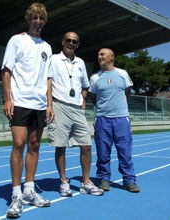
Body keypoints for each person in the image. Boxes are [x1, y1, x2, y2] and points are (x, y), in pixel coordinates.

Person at [1, 3, 53, 218]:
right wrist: (7, 98)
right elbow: (6, 70)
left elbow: (49, 78)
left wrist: (49, 104)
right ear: (28, 19)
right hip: (20, 101)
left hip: (40, 104)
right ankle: (16, 195)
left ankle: (29, 189)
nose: (38, 21)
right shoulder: (17, 40)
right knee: (19, 144)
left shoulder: (47, 47)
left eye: (41, 18)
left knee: (34, 145)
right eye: (35, 17)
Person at [47, 32, 104, 197]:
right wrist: (49, 105)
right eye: (68, 40)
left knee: (86, 145)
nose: (71, 43)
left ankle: (86, 182)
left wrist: (84, 100)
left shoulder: (80, 63)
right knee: (60, 145)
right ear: (62, 41)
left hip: (77, 109)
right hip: (59, 105)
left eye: (74, 41)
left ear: (78, 45)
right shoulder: (53, 59)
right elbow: (47, 82)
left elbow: (85, 85)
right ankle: (64, 182)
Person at [89, 48, 140, 193]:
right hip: (102, 120)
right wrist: (103, 110)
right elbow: (93, 97)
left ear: (112, 57)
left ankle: (129, 180)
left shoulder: (122, 74)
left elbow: (127, 93)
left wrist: (120, 110)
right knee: (103, 153)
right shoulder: (95, 78)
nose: (99, 56)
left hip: (121, 119)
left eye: (102, 54)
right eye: (98, 54)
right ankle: (104, 179)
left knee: (124, 152)